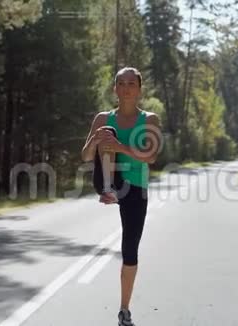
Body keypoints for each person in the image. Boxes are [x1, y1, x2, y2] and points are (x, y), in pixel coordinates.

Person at [81, 67, 161, 326]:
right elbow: (84, 156)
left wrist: (121, 148)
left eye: (131, 83)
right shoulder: (103, 118)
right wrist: (96, 140)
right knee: (107, 133)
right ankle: (108, 189)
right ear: (114, 88)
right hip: (109, 179)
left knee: (129, 249)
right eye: (121, 83)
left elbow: (151, 157)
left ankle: (124, 309)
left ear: (139, 89)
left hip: (135, 187)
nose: (126, 88)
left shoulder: (150, 120)